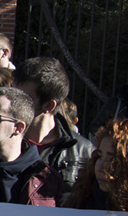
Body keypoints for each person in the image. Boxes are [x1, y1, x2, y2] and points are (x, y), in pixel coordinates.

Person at [12, 56, 93, 192]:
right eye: (11, 92)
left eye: (23, 97)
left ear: (49, 106)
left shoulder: (83, 151)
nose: (11, 102)